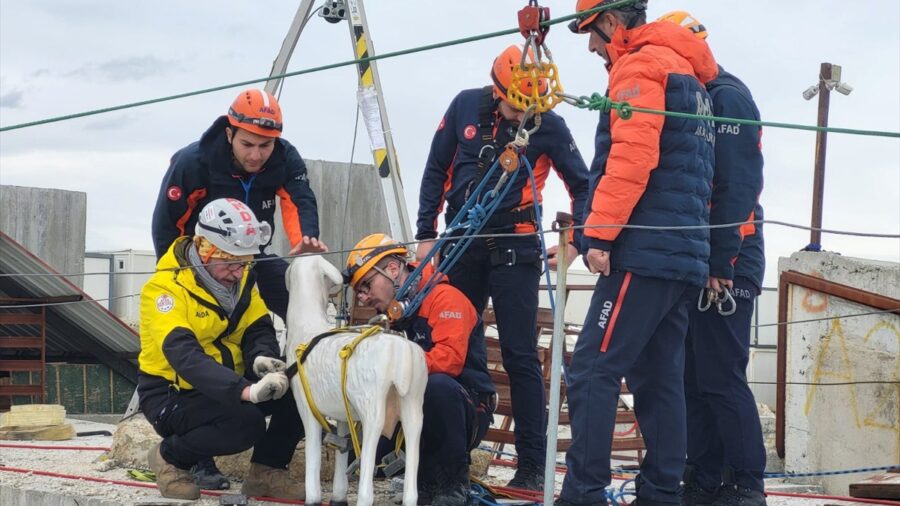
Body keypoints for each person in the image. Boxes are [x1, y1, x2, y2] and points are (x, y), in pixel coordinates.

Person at [558, 1, 718, 505]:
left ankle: (582, 494)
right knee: (658, 378)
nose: (589, 45)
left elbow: (632, 157)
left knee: (591, 368)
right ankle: (661, 495)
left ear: (610, 21)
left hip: (644, 250)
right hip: (683, 254)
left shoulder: (640, 64)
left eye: (590, 31)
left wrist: (599, 234)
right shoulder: (689, 77)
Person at [414, 44, 590, 490]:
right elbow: (436, 169)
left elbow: (583, 186)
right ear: (497, 91)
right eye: (515, 104)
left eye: (530, 106)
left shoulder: (548, 125)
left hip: (517, 249)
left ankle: (531, 465)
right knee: (457, 346)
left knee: (520, 356)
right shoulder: (464, 106)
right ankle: (450, 460)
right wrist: (425, 235)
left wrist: (578, 243)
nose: (521, 114)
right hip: (463, 244)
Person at [151, 88, 326, 486]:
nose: (256, 155)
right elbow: (167, 225)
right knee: (205, 344)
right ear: (230, 133)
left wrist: (306, 243)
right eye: (248, 144)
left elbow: (299, 199)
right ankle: (198, 457)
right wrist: (181, 278)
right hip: (200, 262)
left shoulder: (284, 157)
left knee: (301, 302)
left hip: (253, 258)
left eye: (266, 146)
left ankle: (270, 457)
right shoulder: (194, 162)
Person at [658, 11, 767, 506]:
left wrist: (721, 262)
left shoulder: (727, 98)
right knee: (691, 378)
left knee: (721, 376)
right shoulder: (699, 99)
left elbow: (738, 186)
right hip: (702, 257)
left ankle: (746, 483)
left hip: (730, 256)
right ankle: (704, 477)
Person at [138, 198, 304, 501]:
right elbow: (184, 356)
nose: (239, 273)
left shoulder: (241, 280)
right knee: (243, 424)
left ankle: (266, 473)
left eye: (245, 263)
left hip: (230, 381)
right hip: (173, 393)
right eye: (231, 263)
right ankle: (170, 458)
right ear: (204, 249)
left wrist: (261, 359)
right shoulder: (164, 290)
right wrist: (245, 391)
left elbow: (257, 328)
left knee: (300, 393)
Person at [345, 233, 496, 506]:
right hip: (420, 405)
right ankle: (423, 480)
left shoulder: (445, 299)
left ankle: (453, 483)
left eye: (366, 285)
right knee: (374, 448)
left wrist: (394, 367)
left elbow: (449, 360)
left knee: (437, 386)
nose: (364, 297)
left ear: (393, 269)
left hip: (466, 406)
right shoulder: (397, 314)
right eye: (359, 292)